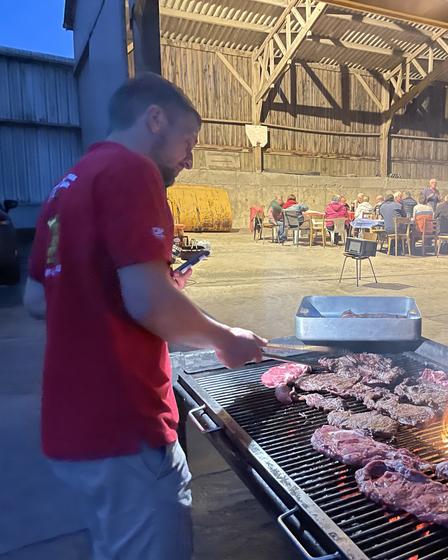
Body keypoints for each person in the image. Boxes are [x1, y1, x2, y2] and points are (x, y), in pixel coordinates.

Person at [22, 73, 268, 560]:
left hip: (72, 429)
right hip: (125, 422)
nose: (189, 156)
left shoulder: (68, 184)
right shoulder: (133, 171)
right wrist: (225, 338)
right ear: (155, 119)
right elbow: (148, 304)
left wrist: (154, 285)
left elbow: (39, 297)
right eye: (187, 139)